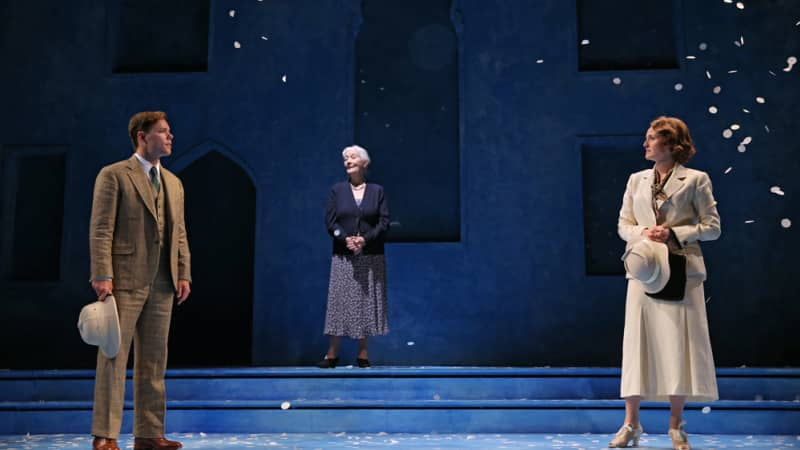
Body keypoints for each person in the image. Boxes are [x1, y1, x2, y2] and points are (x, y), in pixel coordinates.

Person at [611, 116, 721, 449]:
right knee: (636, 345)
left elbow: (712, 227)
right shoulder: (636, 180)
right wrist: (644, 233)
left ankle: (676, 425)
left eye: (652, 139)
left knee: (678, 346)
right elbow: (623, 224)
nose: (645, 144)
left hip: (681, 270)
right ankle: (631, 423)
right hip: (644, 270)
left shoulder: (695, 180)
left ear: (671, 145)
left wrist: (675, 232)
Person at [89, 111, 191, 450]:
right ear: (142, 137)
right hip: (123, 279)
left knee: (154, 360)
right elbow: (101, 228)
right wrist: (102, 274)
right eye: (162, 132)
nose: (170, 136)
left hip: (163, 281)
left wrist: (183, 271)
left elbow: (179, 233)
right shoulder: (115, 175)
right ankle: (105, 435)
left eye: (170, 131)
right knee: (113, 358)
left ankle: (149, 434)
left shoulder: (174, 183)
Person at [319, 145, 390, 368]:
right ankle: (332, 354)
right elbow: (331, 222)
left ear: (364, 163)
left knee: (365, 302)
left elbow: (384, 222)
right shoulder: (337, 190)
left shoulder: (377, 191)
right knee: (340, 301)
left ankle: (362, 354)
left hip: (370, 254)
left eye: (352, 157)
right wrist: (346, 239)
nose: (347, 161)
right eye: (345, 158)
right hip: (344, 255)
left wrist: (365, 239)